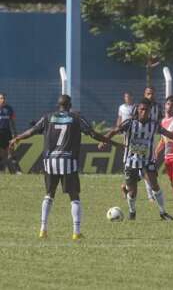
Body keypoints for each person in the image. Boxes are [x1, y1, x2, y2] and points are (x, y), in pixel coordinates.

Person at [8, 95, 112, 239]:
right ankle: (76, 232)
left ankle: (43, 229)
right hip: (68, 161)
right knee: (74, 196)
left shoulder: (47, 117)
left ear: (58, 105)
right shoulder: (76, 118)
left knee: (49, 194)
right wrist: (108, 140)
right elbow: (92, 133)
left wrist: (17, 138)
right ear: (70, 105)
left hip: (50, 162)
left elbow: (31, 131)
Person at [100, 98, 173, 221]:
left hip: (147, 161)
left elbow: (170, 134)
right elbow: (114, 131)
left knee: (155, 185)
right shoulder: (129, 123)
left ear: (150, 111)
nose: (144, 112)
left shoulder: (154, 125)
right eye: (142, 109)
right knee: (132, 191)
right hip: (131, 161)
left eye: (147, 110)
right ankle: (132, 212)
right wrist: (104, 140)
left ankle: (163, 212)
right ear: (137, 110)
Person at [130, 86, 162, 201]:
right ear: (144, 94)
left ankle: (126, 186)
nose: (151, 96)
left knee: (146, 168)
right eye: (148, 93)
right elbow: (131, 122)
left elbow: (159, 121)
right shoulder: (138, 106)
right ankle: (150, 195)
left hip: (150, 140)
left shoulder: (158, 107)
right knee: (145, 168)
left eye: (152, 93)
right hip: (137, 141)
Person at [0, 92, 20, 174]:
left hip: (7, 132)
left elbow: (12, 122)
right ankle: (2, 170)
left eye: (4, 98)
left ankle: (15, 171)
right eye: (1, 98)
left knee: (11, 152)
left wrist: (15, 134)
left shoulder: (9, 109)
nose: (3, 100)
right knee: (2, 154)